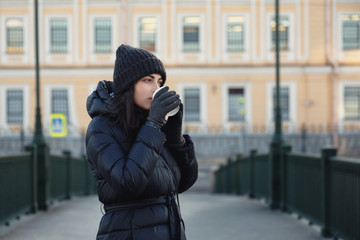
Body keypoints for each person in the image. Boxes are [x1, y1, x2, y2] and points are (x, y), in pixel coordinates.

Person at [85, 44, 198, 240]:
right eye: (148, 80)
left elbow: (183, 183)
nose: (157, 89)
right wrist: (153, 125)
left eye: (160, 81)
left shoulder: (147, 125)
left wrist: (175, 137)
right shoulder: (101, 128)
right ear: (129, 85)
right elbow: (129, 183)